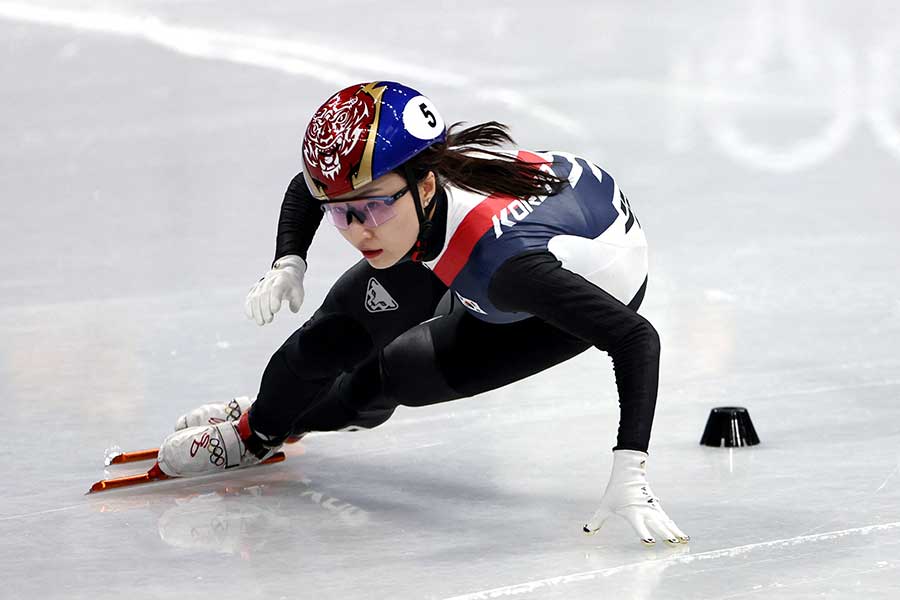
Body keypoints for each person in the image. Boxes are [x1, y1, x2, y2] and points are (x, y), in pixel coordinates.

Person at [157, 81, 689, 546]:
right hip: (492, 237)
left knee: (389, 377)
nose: (358, 230)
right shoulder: (406, 191)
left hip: (560, 296)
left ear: (427, 185)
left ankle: (290, 420)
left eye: (373, 208)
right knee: (329, 339)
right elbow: (311, 188)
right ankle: (260, 429)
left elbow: (636, 338)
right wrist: (289, 260)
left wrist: (630, 469)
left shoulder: (504, 267)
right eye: (341, 214)